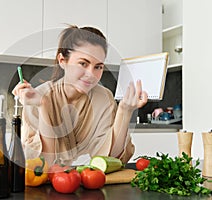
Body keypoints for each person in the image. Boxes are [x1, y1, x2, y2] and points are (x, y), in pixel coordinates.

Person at [12, 25, 148, 166]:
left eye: (98, 67)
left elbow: (111, 159)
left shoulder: (103, 97)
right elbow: (42, 163)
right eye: (83, 63)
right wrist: (43, 105)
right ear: (62, 61)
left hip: (79, 179)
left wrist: (124, 111)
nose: (91, 74)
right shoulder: (37, 97)